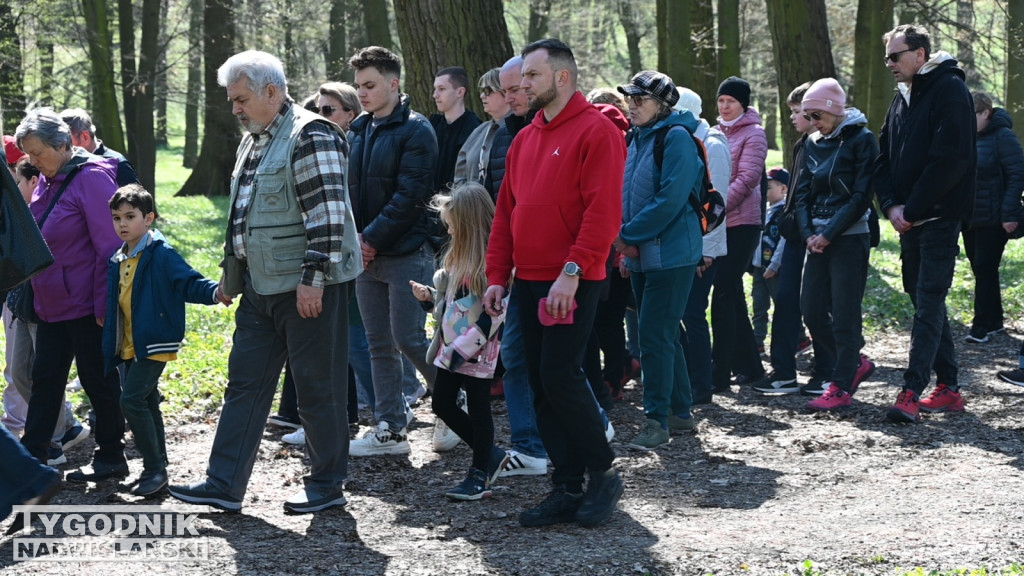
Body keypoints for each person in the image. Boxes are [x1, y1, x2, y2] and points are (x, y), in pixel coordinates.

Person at [168, 50, 361, 513]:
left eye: (240, 99)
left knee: (319, 389)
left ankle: (326, 486)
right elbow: (242, 214)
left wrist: (313, 279)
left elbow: (329, 216)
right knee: (245, 384)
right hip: (259, 288)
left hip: (308, 288)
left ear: (271, 92)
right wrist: (232, 274)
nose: (234, 109)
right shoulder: (253, 140)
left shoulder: (310, 134)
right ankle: (223, 484)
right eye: (231, 100)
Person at [483, 38, 625, 527]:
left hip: (573, 281)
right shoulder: (525, 138)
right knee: (543, 383)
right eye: (522, 79)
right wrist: (498, 275)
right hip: (528, 281)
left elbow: (603, 213)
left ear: (561, 78)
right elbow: (507, 213)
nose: (522, 87)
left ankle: (604, 474)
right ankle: (566, 487)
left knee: (562, 376)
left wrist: (572, 273)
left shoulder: (597, 132)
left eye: (532, 78)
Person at [13, 109, 126, 481]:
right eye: (28, 154)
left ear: (63, 145)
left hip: (86, 306)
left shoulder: (92, 178)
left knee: (98, 380)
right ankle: (32, 461)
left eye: (38, 153)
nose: (32, 162)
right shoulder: (48, 176)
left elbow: (109, 247)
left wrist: (103, 306)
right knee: (45, 378)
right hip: (51, 304)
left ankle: (111, 456)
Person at [874, 24, 976, 422]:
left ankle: (910, 391)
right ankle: (949, 385)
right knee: (923, 301)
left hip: (938, 218)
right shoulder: (902, 96)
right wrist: (892, 207)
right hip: (909, 219)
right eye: (886, 57)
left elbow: (951, 159)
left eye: (895, 56)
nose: (889, 65)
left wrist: (911, 209)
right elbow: (884, 157)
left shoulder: (949, 89)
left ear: (919, 54)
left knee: (929, 301)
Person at [103, 184, 231, 496]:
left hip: (155, 341)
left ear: (149, 219)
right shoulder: (118, 258)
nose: (122, 224)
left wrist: (217, 292)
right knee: (146, 400)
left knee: (131, 400)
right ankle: (156, 469)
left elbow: (188, 282)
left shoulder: (161, 254)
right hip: (131, 344)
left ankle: (154, 468)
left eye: (130, 216)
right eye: (117, 217)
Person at [346, 46, 439, 456]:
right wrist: (357, 242)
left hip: (407, 251)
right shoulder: (358, 129)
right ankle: (390, 428)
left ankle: (457, 401)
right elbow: (347, 193)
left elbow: (410, 195)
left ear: (393, 83)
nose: (362, 93)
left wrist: (369, 240)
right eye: (359, 86)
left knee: (409, 338)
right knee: (377, 342)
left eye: (370, 85)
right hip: (366, 256)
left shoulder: (417, 130)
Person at [613, 70, 701, 449]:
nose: (632, 105)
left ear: (663, 105)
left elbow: (670, 200)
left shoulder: (676, 138)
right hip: (640, 255)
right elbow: (626, 192)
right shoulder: (637, 137)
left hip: (672, 255)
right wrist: (624, 239)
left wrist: (627, 236)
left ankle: (656, 421)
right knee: (666, 336)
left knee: (653, 336)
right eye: (630, 98)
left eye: (640, 99)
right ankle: (680, 414)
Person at [411, 183, 509, 499]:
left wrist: (465, 349)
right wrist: (430, 301)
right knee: (441, 403)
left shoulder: (491, 266)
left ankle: (480, 473)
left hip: (477, 353)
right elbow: (455, 309)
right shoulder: (456, 261)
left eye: (452, 224)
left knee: (479, 410)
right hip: (452, 350)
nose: (449, 230)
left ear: (466, 224)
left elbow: (492, 317)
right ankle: (491, 456)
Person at [789, 79, 878, 412]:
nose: (812, 122)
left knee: (844, 312)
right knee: (811, 308)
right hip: (817, 238)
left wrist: (830, 234)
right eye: (807, 116)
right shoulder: (813, 141)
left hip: (850, 237)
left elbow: (860, 196)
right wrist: (810, 232)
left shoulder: (862, 140)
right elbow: (802, 193)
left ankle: (841, 385)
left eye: (816, 115)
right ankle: (852, 360)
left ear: (831, 109)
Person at [4, 157, 90, 461]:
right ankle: (63, 429)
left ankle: (54, 442)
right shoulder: (24, 214)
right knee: (21, 372)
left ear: (33, 182)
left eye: (18, 182)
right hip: (24, 304)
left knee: (40, 374)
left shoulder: (47, 213)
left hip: (47, 304)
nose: (15, 188)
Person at [673, 87, 730, 405]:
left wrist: (706, 249)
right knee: (683, 313)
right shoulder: (687, 141)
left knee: (693, 314)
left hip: (703, 247)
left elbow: (715, 203)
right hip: (686, 244)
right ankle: (689, 379)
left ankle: (701, 384)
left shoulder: (712, 144)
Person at [711, 76, 767, 392]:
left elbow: (746, 180)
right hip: (719, 224)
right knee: (730, 294)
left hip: (743, 224)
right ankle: (747, 364)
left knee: (725, 290)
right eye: (721, 100)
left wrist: (715, 207)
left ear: (743, 103)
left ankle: (727, 365)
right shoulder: (715, 133)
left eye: (730, 101)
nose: (725, 106)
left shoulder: (755, 135)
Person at [963, 92, 1024, 344]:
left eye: (972, 115)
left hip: (996, 218)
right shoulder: (965, 138)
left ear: (986, 113)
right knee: (981, 269)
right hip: (970, 218)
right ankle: (995, 321)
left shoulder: (1004, 137)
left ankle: (980, 327)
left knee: (985, 268)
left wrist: (1009, 214)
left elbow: (1017, 175)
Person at [453, 68, 509, 196]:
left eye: (488, 91)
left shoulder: (522, 129)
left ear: (505, 92)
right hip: (475, 213)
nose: (482, 96)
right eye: (481, 91)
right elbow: (460, 178)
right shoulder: (478, 133)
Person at [431, 67, 481, 193]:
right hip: (427, 206)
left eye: (441, 89)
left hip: (458, 205)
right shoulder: (431, 127)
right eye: (435, 89)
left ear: (460, 92)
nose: (435, 95)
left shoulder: (474, 130)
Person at [59, 108, 139, 186]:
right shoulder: (61, 166)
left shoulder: (119, 166)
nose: (60, 148)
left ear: (85, 137)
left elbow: (135, 198)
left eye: (66, 142)